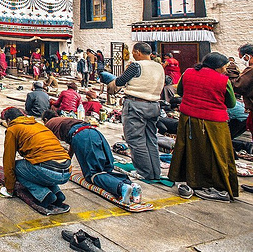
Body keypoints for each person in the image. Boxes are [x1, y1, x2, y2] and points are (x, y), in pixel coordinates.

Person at [169, 52, 238, 201]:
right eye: (224, 67)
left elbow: (180, 91)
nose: (225, 70)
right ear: (217, 66)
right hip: (214, 122)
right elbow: (231, 103)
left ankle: (192, 180)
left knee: (191, 150)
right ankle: (220, 188)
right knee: (217, 154)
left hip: (189, 118)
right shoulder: (222, 80)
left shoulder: (188, 73)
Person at [44, 112, 141, 205]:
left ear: (45, 120)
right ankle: (132, 185)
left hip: (83, 137)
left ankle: (121, 187)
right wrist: (68, 158)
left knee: (93, 174)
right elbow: (73, 142)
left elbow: (49, 148)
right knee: (105, 170)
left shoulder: (48, 125)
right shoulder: (65, 120)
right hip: (95, 133)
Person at [0, 107, 71, 211]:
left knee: (17, 168)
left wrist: (9, 189)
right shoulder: (38, 125)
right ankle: (58, 194)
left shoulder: (13, 129)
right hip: (67, 170)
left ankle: (45, 196)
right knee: (38, 168)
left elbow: (8, 161)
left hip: (48, 171)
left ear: (8, 121)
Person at [114, 42, 165, 181]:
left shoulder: (137, 66)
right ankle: (155, 171)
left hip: (136, 104)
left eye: (133, 52)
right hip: (154, 104)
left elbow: (120, 81)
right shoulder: (159, 66)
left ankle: (144, 172)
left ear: (138, 52)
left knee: (136, 139)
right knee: (151, 138)